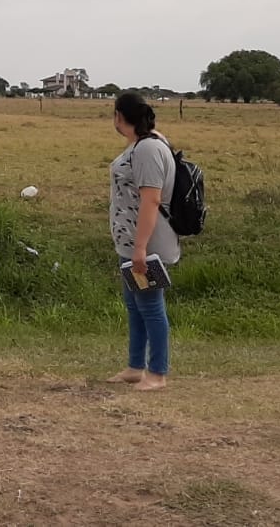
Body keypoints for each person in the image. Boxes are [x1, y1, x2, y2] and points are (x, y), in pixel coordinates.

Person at [106, 91, 180, 392]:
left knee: (150, 306)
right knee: (135, 305)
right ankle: (135, 367)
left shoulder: (148, 149)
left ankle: (157, 373)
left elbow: (151, 200)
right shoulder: (142, 144)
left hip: (145, 244)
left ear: (119, 116)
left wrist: (140, 248)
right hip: (131, 242)